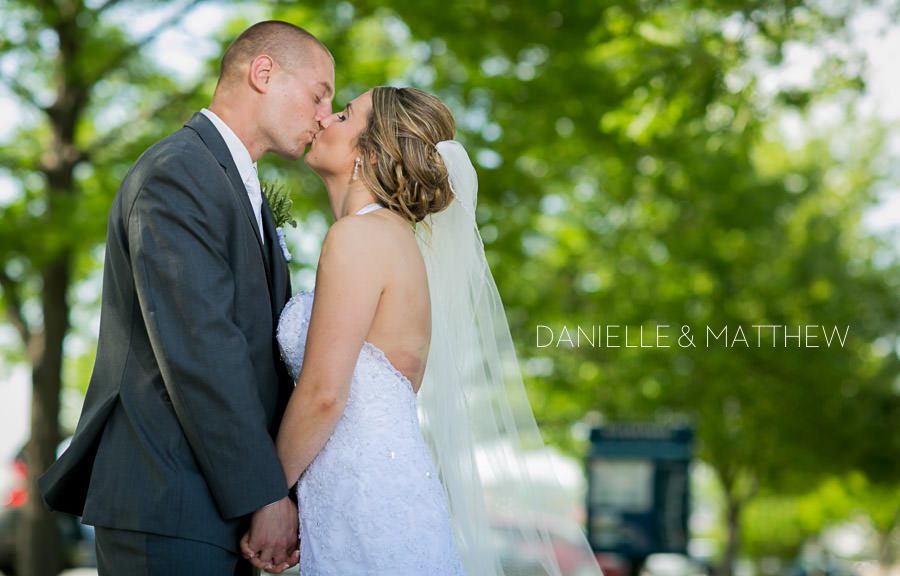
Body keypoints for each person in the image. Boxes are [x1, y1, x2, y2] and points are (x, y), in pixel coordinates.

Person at [263, 86, 604, 575]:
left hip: (365, 503)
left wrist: (267, 496)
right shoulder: (394, 240)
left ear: (372, 151)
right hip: (369, 492)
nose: (323, 119)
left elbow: (323, 393)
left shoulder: (360, 236)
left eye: (343, 114)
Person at [38, 20, 334, 575]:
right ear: (263, 73)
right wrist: (264, 496)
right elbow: (201, 350)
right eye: (319, 94)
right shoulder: (179, 173)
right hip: (168, 499)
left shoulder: (228, 183)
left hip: (209, 507)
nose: (324, 115)